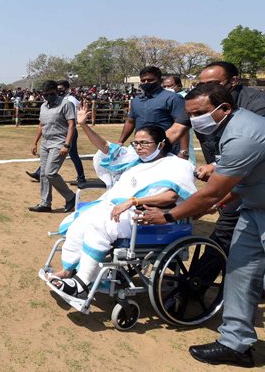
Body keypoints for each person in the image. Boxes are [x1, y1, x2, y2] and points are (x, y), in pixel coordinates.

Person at [141, 83, 265, 368]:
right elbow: (240, 183)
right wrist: (214, 207)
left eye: (200, 113)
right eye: (191, 114)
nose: (194, 120)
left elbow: (211, 191)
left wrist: (168, 216)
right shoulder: (227, 129)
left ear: (224, 109)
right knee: (239, 273)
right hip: (253, 208)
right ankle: (236, 344)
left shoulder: (243, 135)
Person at [48, 107, 196, 298]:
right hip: (120, 209)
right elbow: (106, 147)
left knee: (100, 224)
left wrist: (133, 201)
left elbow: (170, 197)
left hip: (147, 216)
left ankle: (82, 283)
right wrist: (83, 125)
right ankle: (68, 271)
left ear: (161, 144)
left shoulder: (178, 165)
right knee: (81, 221)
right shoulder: (136, 160)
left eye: (144, 143)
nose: (139, 147)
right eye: (136, 143)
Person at [164, 62, 265, 296]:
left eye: (213, 83)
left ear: (233, 82)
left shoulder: (256, 104)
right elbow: (174, 132)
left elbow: (249, 147)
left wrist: (168, 216)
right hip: (233, 180)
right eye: (201, 83)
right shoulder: (197, 102)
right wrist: (146, 151)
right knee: (231, 230)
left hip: (246, 176)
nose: (205, 87)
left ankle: (195, 286)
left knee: (225, 230)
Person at [118, 66, 189, 157]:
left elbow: (182, 125)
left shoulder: (173, 98)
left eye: (150, 80)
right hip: (141, 149)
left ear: (159, 81)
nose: (146, 83)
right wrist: (120, 142)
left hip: (166, 150)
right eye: (143, 80)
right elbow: (130, 122)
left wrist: (184, 151)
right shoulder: (136, 101)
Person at [28, 80, 76, 213]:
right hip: (45, 143)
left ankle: (71, 197)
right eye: (45, 94)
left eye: (51, 94)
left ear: (57, 91)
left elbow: (71, 125)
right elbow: (41, 125)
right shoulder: (43, 106)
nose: (48, 97)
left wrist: (66, 144)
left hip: (59, 142)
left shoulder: (66, 104)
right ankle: (45, 203)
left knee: (50, 172)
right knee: (43, 174)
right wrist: (35, 142)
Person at [26, 80, 86, 184]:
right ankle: (40, 173)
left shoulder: (70, 100)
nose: (59, 91)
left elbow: (71, 122)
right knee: (50, 154)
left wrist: (66, 144)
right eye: (58, 89)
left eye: (61, 89)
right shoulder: (53, 101)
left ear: (67, 89)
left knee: (73, 155)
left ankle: (81, 178)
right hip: (57, 131)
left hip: (68, 131)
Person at [162, 75, 196, 165]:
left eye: (170, 86)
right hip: (172, 128)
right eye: (164, 86)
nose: (167, 88)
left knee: (186, 147)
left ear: (179, 86)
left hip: (183, 127)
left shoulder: (184, 97)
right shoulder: (167, 98)